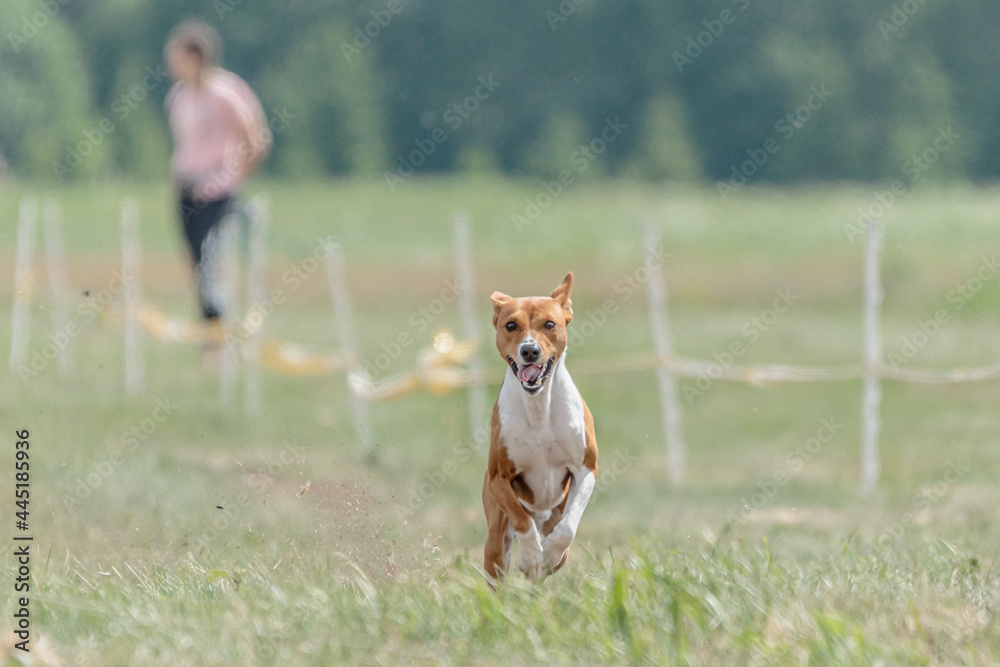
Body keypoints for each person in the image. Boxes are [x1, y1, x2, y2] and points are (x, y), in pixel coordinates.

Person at [164, 20, 271, 364]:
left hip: (218, 191)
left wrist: (232, 178)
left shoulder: (225, 93)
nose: (170, 63)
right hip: (186, 188)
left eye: (176, 55)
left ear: (196, 57)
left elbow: (255, 140)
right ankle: (211, 337)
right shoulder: (178, 97)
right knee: (196, 262)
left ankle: (218, 343)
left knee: (211, 261)